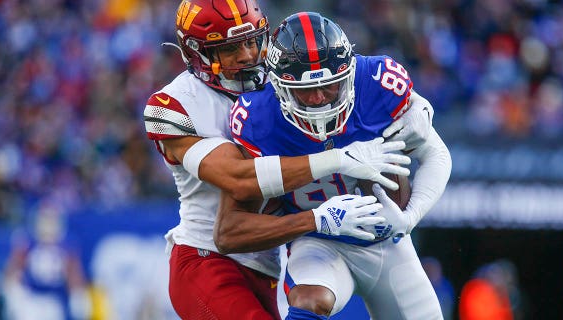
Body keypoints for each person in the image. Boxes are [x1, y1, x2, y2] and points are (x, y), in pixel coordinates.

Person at [143, 1, 434, 319]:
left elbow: (347, 74)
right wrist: (336, 161)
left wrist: (418, 108)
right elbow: (240, 178)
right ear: (198, 53)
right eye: (230, 49)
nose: (248, 56)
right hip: (208, 256)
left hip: (268, 261)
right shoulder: (173, 106)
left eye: (252, 41)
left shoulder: (279, 78)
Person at [219, 12, 452, 319]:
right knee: (309, 300)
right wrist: (314, 219)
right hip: (318, 242)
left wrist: (411, 216)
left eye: (329, 86)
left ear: (348, 73)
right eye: (304, 90)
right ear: (279, 86)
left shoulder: (378, 84)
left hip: (387, 240)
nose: (318, 99)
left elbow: (437, 153)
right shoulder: (259, 118)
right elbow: (230, 229)